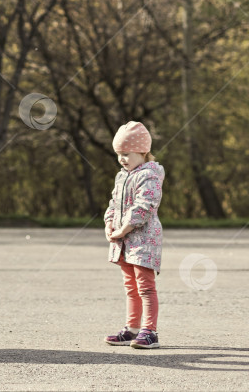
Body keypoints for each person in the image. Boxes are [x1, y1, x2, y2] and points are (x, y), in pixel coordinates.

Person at [103, 121, 164, 349]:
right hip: (124, 241)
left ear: (142, 151)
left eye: (126, 154)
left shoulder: (149, 175)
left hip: (143, 241)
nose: (122, 159)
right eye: (119, 154)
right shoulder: (122, 176)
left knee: (145, 286)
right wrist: (109, 224)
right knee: (130, 285)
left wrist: (123, 229)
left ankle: (150, 331)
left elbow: (144, 207)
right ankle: (132, 328)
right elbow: (113, 204)